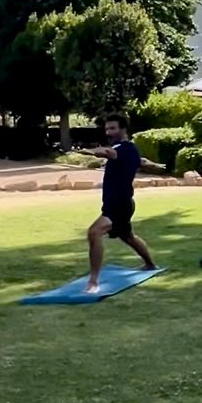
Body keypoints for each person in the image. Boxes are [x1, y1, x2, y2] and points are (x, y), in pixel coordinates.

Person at [85, 114, 165, 292]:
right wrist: (154, 165)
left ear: (123, 129)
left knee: (94, 232)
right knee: (127, 236)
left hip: (118, 205)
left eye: (112, 128)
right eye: (106, 129)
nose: (108, 132)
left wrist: (97, 151)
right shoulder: (130, 149)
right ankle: (150, 264)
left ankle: (93, 282)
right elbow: (140, 161)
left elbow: (111, 153)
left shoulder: (121, 148)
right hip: (122, 202)